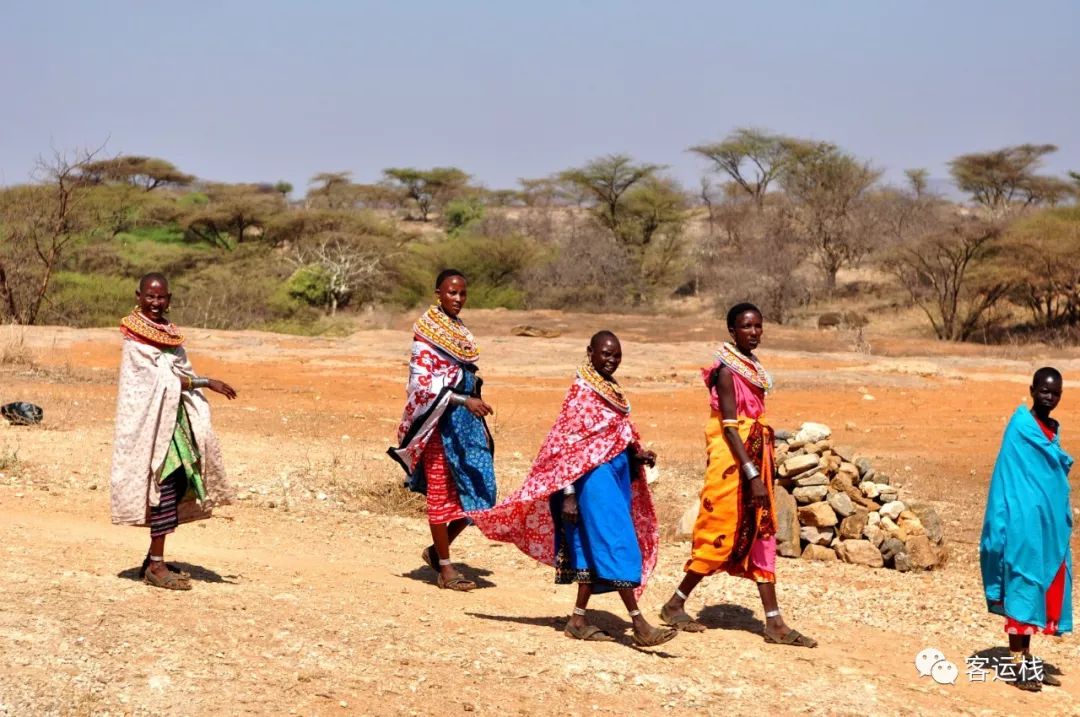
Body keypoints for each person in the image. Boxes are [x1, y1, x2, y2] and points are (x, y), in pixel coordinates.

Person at [472, 331, 676, 647]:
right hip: (591, 480)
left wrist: (637, 454)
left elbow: (613, 437)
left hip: (615, 475)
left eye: (616, 354)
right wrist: (567, 494)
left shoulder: (612, 391)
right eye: (605, 353)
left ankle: (578, 620)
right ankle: (640, 624)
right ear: (590, 352)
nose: (611, 359)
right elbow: (566, 446)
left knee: (593, 546)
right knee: (617, 543)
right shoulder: (582, 394)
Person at [659, 303, 816, 647]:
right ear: (732, 330)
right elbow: (730, 429)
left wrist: (761, 471)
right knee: (720, 533)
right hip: (734, 463)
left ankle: (773, 623)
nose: (754, 332)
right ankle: (674, 604)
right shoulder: (727, 371)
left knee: (762, 531)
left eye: (758, 326)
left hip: (755, 458)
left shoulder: (752, 366)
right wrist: (751, 475)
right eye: (747, 327)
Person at [110, 273, 237, 590]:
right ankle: (155, 565)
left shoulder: (170, 336)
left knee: (179, 482)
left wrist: (195, 383)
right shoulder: (135, 340)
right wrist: (207, 382)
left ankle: (155, 557)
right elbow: (158, 382)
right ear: (138, 295)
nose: (155, 303)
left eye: (161, 297)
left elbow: (177, 374)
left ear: (170, 298)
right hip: (153, 425)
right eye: (150, 297)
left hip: (174, 421)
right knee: (164, 486)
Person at [388, 269, 497, 592]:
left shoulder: (459, 331)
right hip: (436, 423)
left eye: (463, 293)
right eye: (452, 293)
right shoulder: (426, 332)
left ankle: (437, 551)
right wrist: (464, 399)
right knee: (440, 491)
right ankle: (446, 569)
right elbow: (421, 384)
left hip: (465, 425)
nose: (458, 299)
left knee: (482, 489)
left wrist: (471, 400)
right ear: (438, 293)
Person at [980, 367, 1073, 692]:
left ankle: (1029, 660)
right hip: (1021, 525)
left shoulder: (1051, 429)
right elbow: (1009, 479)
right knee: (1022, 583)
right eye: (1045, 390)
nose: (1050, 397)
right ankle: (1017, 666)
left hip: (1044, 528)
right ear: (1032, 390)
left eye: (1055, 392)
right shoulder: (1020, 428)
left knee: (1041, 588)